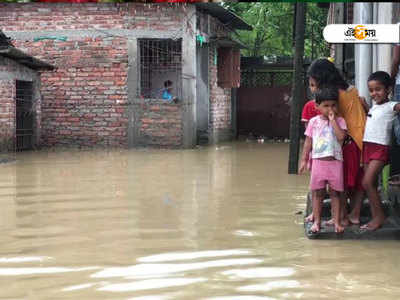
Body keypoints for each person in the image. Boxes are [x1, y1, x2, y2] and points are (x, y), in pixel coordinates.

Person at [306, 59, 367, 226]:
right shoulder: (350, 89)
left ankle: (342, 217)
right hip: (361, 138)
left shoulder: (335, 96)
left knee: (343, 182)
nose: (314, 88)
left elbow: (330, 118)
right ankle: (350, 215)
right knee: (356, 179)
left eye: (314, 83)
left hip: (348, 140)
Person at [299, 87, 347, 233]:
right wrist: (303, 160)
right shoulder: (313, 122)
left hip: (335, 162)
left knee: (335, 194)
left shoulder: (340, 121)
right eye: (326, 106)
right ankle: (317, 222)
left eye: (333, 105)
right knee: (318, 193)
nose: (330, 109)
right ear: (317, 107)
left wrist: (333, 122)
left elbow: (341, 138)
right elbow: (308, 142)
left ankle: (337, 222)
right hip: (319, 162)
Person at [361, 71, 400, 230]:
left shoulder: (392, 106)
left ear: (388, 89)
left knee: (367, 182)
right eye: (371, 90)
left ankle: (379, 217)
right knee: (369, 184)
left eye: (378, 89)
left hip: (380, 149)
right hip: (368, 147)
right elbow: (372, 121)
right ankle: (376, 215)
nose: (374, 93)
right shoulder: (374, 107)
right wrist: (365, 107)